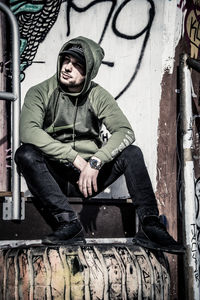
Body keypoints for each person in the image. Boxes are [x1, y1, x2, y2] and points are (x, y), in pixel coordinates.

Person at [15, 36, 184, 253]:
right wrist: (73, 157)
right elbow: (28, 131)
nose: (67, 67)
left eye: (77, 65)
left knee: (132, 154)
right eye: (66, 60)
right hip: (55, 175)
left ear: (89, 72)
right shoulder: (41, 92)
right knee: (25, 153)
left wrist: (95, 162)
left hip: (89, 179)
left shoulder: (98, 95)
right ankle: (69, 223)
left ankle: (150, 225)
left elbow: (125, 131)